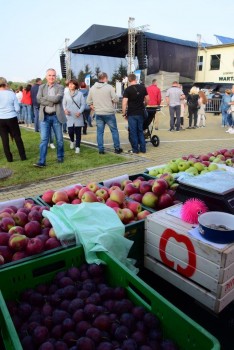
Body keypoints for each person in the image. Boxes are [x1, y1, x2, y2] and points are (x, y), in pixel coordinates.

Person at [33, 68, 66, 168]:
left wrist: (46, 97)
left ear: (56, 77)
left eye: (53, 75)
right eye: (50, 75)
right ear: (46, 76)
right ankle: (42, 161)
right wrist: (51, 101)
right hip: (45, 117)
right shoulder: (41, 87)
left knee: (59, 139)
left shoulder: (60, 87)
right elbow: (38, 99)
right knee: (44, 140)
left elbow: (57, 99)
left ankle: (60, 156)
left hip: (56, 116)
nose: (51, 77)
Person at [86, 72, 123, 154]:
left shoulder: (92, 88)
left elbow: (88, 101)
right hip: (109, 113)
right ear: (105, 78)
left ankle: (101, 150)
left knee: (99, 132)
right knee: (114, 131)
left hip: (98, 113)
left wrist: (94, 107)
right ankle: (117, 148)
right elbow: (116, 99)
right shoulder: (109, 87)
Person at [0, 77, 27, 162]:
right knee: (17, 137)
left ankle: (9, 158)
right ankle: (23, 156)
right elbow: (17, 108)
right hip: (12, 117)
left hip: (1, 119)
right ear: (6, 84)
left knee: (4, 139)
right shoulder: (11, 94)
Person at [122, 73, 149, 154]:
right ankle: (143, 149)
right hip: (140, 112)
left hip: (132, 113)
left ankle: (135, 149)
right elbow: (148, 99)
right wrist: (144, 105)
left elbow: (124, 103)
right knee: (140, 130)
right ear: (135, 79)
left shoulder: (127, 90)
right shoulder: (143, 88)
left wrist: (124, 113)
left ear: (129, 80)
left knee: (133, 132)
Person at [63, 79, 85, 154]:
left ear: (76, 85)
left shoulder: (80, 94)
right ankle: (72, 141)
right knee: (70, 131)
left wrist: (79, 112)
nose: (71, 85)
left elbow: (83, 104)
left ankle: (78, 147)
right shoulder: (66, 94)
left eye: (72, 84)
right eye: (69, 84)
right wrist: (65, 110)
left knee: (78, 132)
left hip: (78, 115)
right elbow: (63, 104)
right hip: (69, 115)